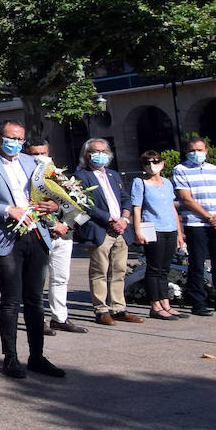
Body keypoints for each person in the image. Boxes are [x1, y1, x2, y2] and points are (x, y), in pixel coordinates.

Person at [0, 120, 64, 379]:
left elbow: (52, 195)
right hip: (5, 237)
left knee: (35, 300)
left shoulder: (34, 163)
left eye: (20, 139)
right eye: (11, 137)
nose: (16, 143)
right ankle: (10, 358)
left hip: (36, 234)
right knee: (11, 299)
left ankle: (37, 357)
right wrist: (7, 210)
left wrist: (54, 206)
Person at [23, 140, 86, 336]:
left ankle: (60, 318)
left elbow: (76, 202)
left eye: (43, 153)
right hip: (39, 233)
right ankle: (38, 320)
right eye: (35, 154)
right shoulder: (24, 178)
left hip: (63, 234)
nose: (40, 157)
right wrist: (51, 221)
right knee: (37, 280)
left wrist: (62, 219)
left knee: (61, 278)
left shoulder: (57, 176)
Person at [75, 138, 140, 326]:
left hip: (121, 230)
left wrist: (125, 219)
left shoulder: (113, 175)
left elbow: (126, 198)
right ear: (86, 155)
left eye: (103, 152)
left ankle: (118, 308)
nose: (100, 155)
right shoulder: (82, 176)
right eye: (95, 152)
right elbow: (85, 204)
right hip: (100, 230)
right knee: (100, 271)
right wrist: (110, 219)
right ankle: (101, 309)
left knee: (119, 270)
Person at [131, 150, 185, 320]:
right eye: (147, 163)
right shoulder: (140, 182)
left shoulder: (167, 183)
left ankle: (166, 303)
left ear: (162, 164)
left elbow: (172, 207)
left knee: (165, 269)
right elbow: (137, 207)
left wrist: (179, 232)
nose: (151, 165)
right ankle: (155, 305)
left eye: (155, 161)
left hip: (169, 228)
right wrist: (137, 229)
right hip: (152, 228)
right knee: (154, 268)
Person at [173, 135, 216, 316]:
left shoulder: (213, 169)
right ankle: (198, 302)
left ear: (206, 151)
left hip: (214, 222)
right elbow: (185, 199)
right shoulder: (180, 170)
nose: (196, 153)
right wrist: (208, 216)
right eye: (192, 150)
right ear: (186, 152)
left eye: (199, 150)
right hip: (195, 223)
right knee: (197, 263)